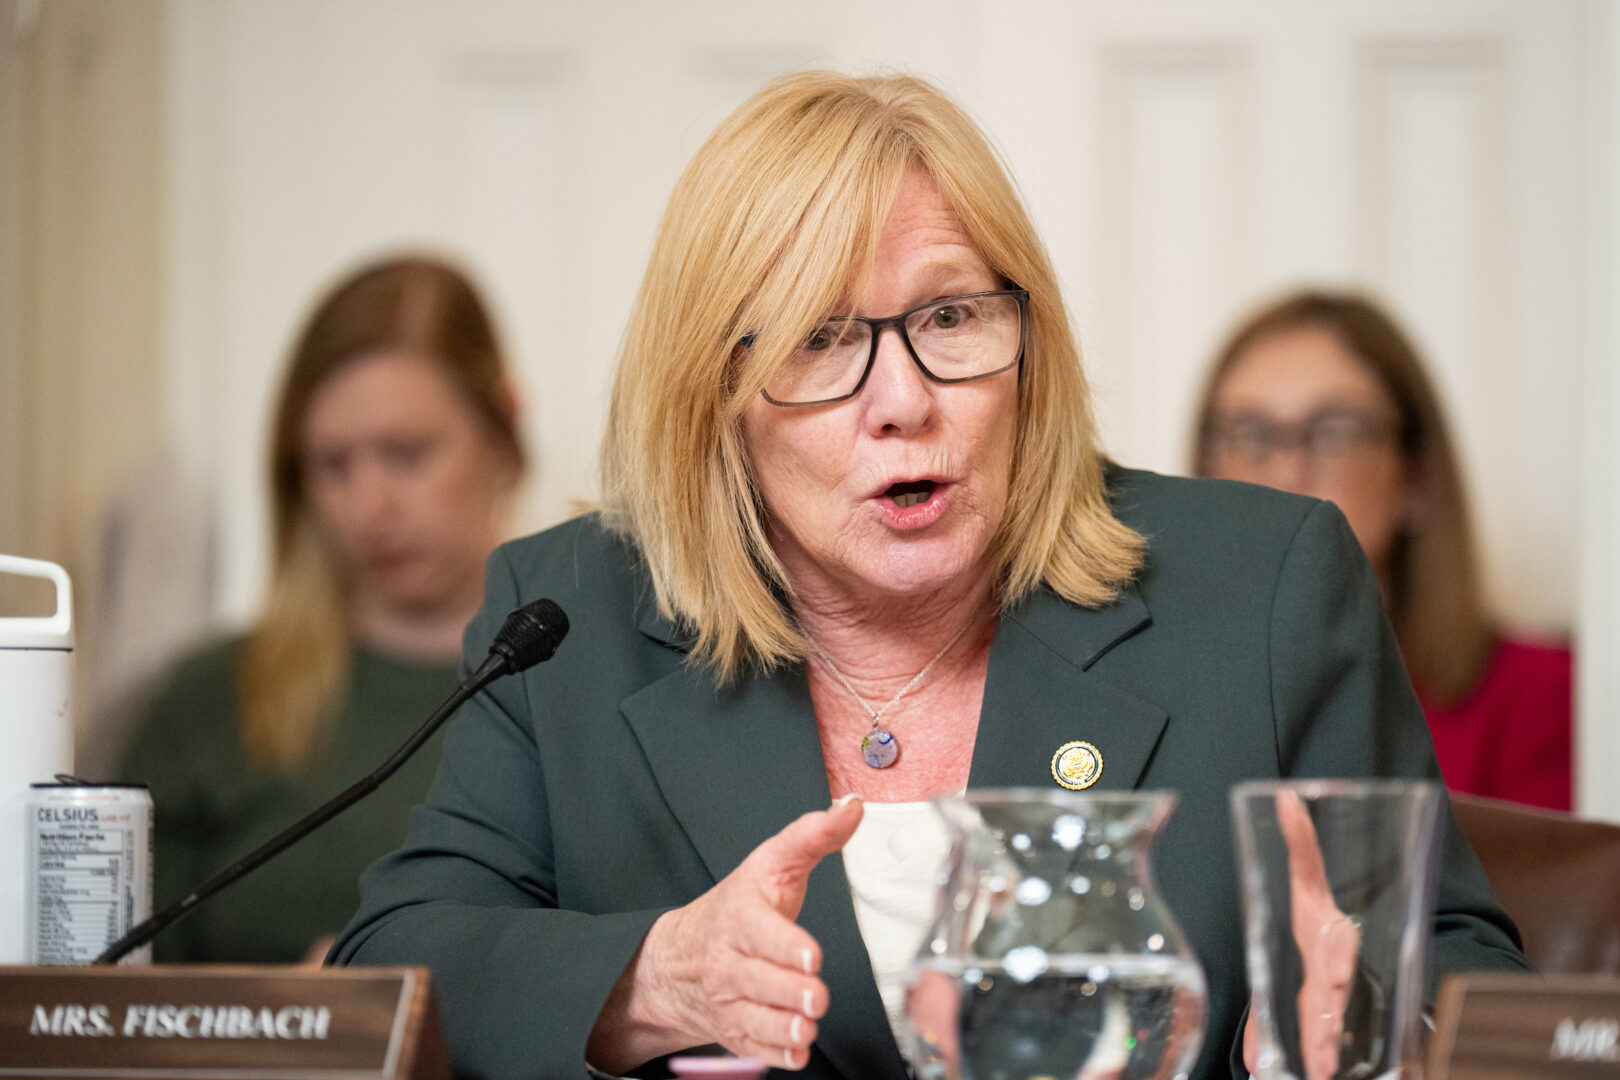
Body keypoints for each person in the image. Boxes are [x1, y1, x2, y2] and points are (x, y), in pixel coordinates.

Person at [331, 73, 1527, 1080]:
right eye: (819, 339)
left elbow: (1462, 971)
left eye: (951, 316)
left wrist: (1376, 1026)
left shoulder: (1262, 589)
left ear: (1029, 340)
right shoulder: (570, 623)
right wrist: (657, 977)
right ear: (715, 397)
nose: (903, 402)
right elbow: (397, 969)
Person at [118, 254, 526, 962]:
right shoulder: (210, 701)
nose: (369, 508)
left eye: (406, 453)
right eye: (333, 466)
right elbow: (111, 1000)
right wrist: (287, 1018)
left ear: (503, 433)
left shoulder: (595, 685)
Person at [1192, 290, 1573, 811]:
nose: (1285, 473)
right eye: (1251, 434)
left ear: (1415, 475)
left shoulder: (1541, 696)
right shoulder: (1165, 692)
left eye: (1334, 433)